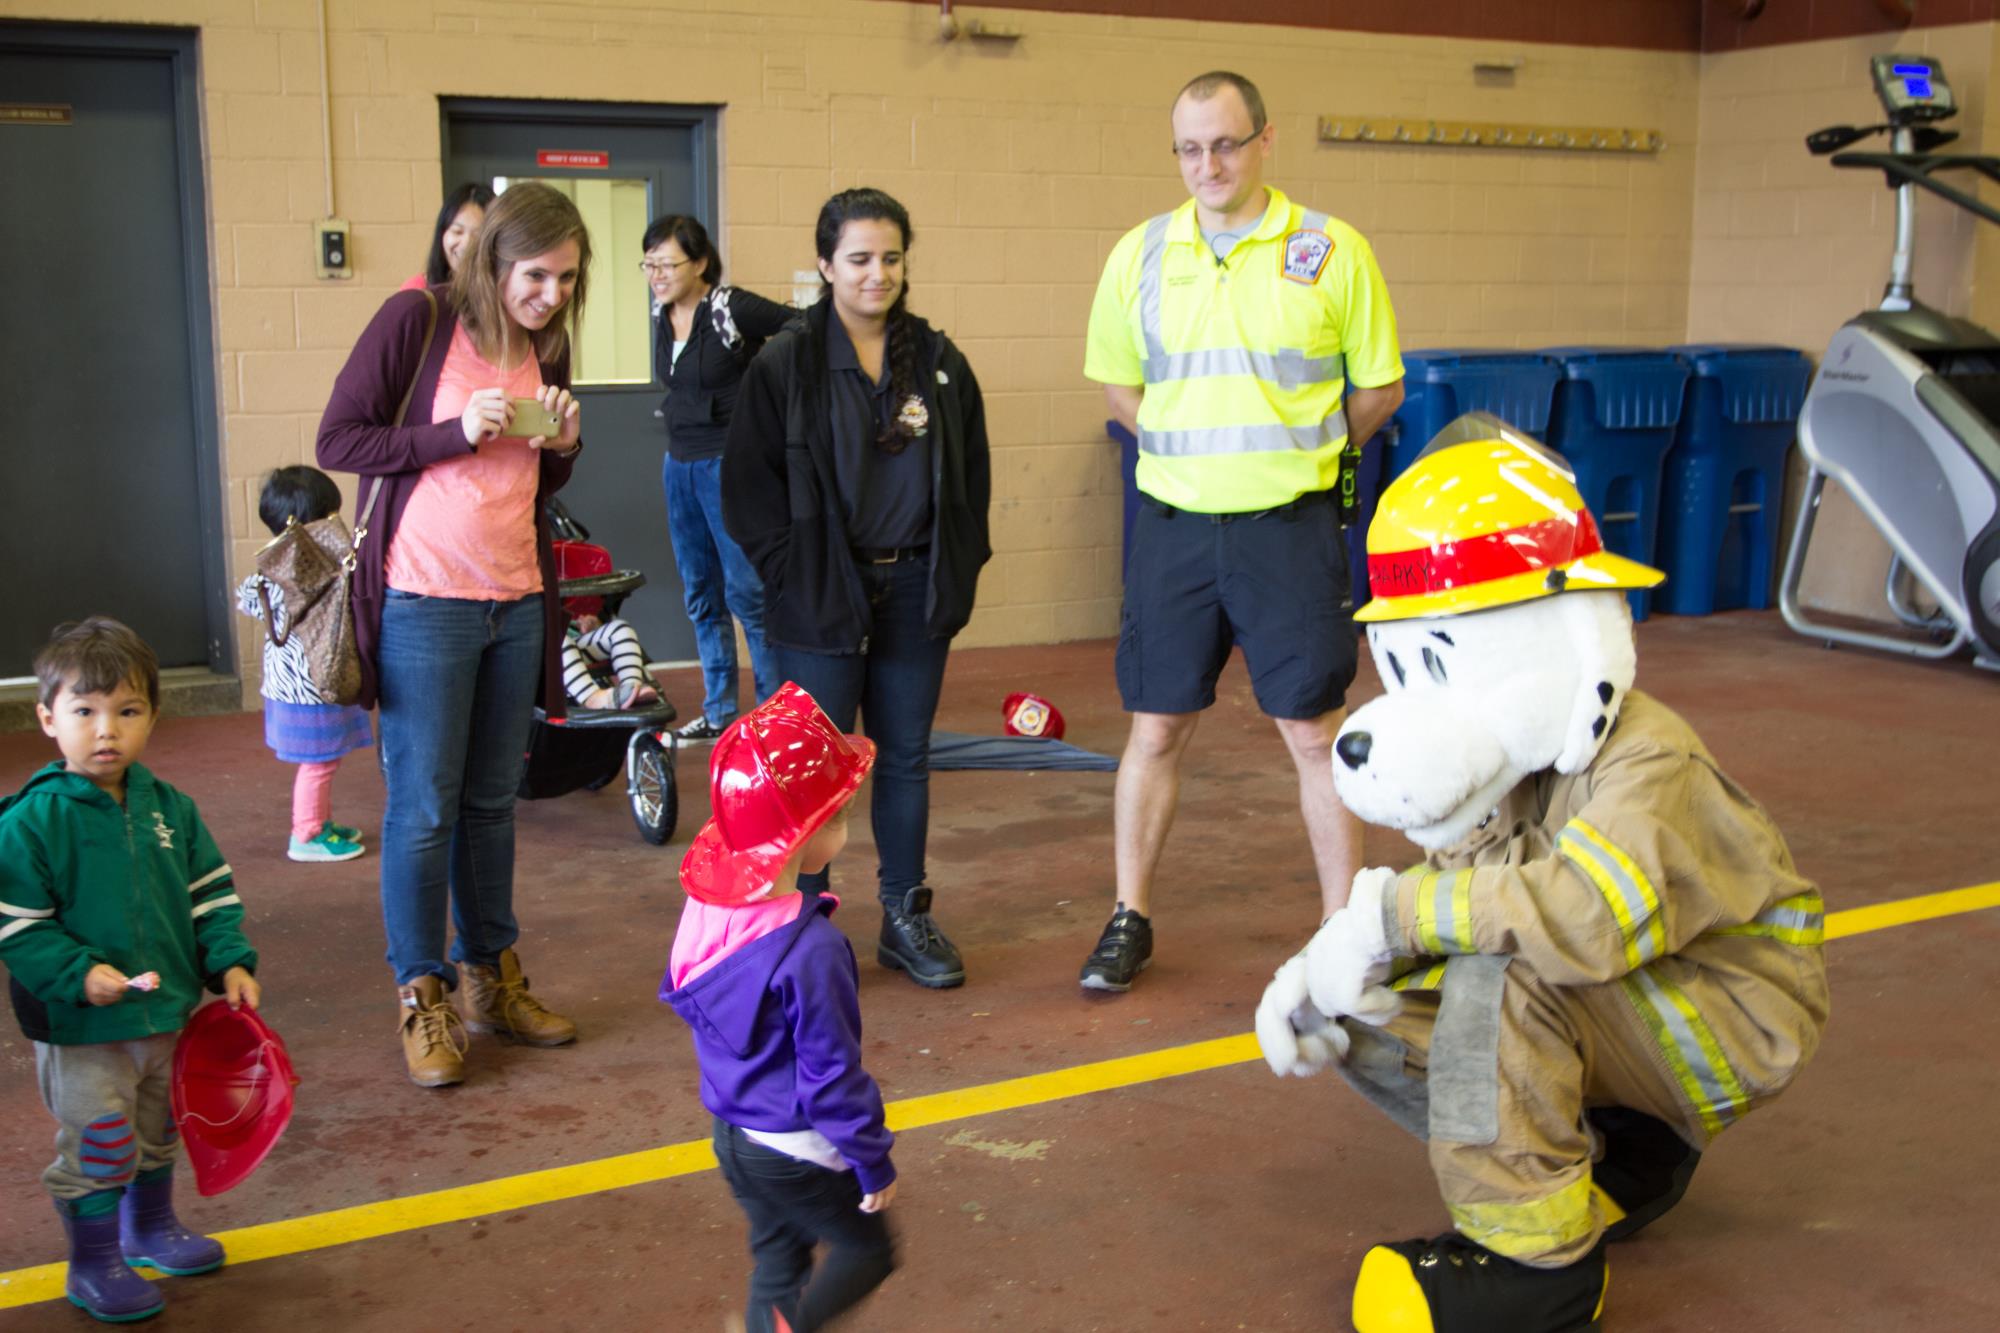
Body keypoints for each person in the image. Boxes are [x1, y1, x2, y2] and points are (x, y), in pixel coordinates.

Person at [1078, 70, 1406, 992]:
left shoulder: (1332, 250)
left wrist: (1292, 454)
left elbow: (1379, 388)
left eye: (1225, 143)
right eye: (1190, 147)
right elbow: (1120, 388)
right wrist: (1193, 458)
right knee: (1155, 729)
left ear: (1266, 140)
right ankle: (1128, 916)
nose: (1207, 164)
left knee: (1313, 731)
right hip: (1175, 526)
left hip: (1287, 528)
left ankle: (1346, 932)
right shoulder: (1140, 254)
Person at [317, 181, 588, 1089]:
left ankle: (491, 975)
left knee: (490, 802)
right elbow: (340, 440)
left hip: (515, 599)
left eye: (566, 280)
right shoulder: (419, 319)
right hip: (423, 600)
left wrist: (564, 448)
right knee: (424, 807)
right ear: (494, 260)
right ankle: (421, 990)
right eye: (537, 275)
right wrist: (445, 432)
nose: (550, 295)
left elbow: (531, 487)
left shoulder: (546, 345)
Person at [723, 188, 992, 990]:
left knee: (905, 757)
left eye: (892, 258)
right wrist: (792, 573)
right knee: (817, 770)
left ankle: (904, 915)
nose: (878, 274)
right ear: (824, 265)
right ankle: (803, 921)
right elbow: (748, 490)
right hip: (818, 597)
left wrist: (957, 564)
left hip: (914, 589)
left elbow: (971, 478)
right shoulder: (785, 363)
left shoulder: (939, 362)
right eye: (860, 259)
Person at [0, 618, 261, 1323]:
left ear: (152, 714)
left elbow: (211, 895)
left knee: (158, 1125)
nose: (105, 729)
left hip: (165, 1012)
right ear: (48, 718)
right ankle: (92, 1262)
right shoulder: (30, 821)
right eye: (84, 711)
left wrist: (230, 962)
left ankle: (149, 1228)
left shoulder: (170, 808)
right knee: (100, 1141)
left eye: (127, 710)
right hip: (83, 1024)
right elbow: (18, 925)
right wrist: (79, 973)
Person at [663, 683, 898, 1333]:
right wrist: (870, 1156)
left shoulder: (707, 911)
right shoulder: (812, 950)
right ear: (810, 835)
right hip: (796, 1143)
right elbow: (832, 1075)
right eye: (841, 814)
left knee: (779, 1259)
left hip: (734, 1136)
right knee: (868, 1250)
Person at [645, 214, 792, 741]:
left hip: (729, 464)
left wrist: (764, 393)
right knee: (700, 593)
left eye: (666, 263)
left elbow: (800, 325)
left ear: (700, 262)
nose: (656, 274)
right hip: (678, 465)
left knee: (748, 594)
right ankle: (720, 711)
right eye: (649, 264)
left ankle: (774, 721)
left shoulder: (728, 307)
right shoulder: (662, 315)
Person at [234, 465, 374, 863]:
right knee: (319, 764)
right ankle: (307, 834)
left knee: (322, 762)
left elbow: (245, 599)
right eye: (328, 516)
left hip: (295, 685)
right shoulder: (299, 570)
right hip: (310, 686)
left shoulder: (273, 569)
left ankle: (321, 824)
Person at [400, 182, 493, 292]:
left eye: (478, 235)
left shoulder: (505, 295)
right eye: (457, 231)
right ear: (442, 233)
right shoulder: (417, 290)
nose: (467, 244)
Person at [560, 610, 660, 711]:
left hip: (569, 646)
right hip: (549, 655)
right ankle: (592, 698)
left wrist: (580, 624)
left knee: (620, 629)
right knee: (556, 637)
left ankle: (631, 687)